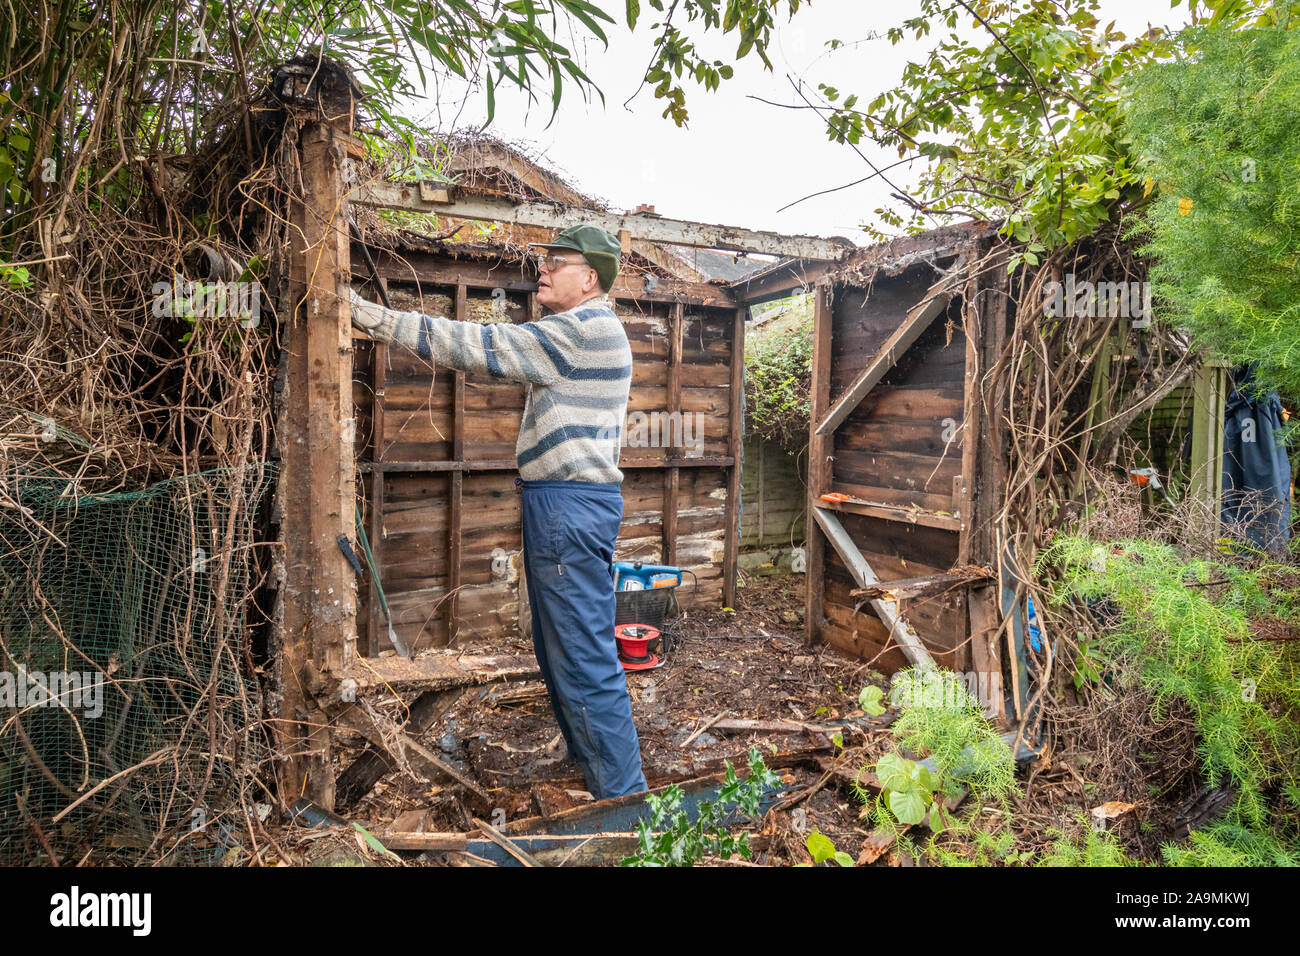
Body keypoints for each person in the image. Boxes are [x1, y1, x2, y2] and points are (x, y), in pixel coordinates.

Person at [348, 224, 648, 800]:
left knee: (583, 652)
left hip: (568, 505)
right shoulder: (586, 328)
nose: (542, 268)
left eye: (555, 262)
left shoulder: (583, 329)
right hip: (562, 503)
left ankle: (624, 800)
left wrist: (376, 318)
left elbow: (484, 348)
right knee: (559, 648)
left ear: (589, 278)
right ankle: (595, 772)